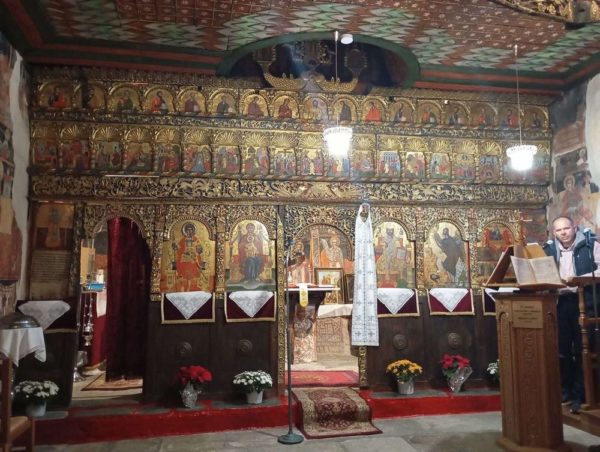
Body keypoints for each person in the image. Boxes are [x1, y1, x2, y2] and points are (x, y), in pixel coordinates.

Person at [543, 216, 600, 414]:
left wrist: (578, 279)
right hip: (560, 303)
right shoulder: (549, 250)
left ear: (574, 227)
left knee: (582, 350)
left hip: (585, 302)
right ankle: (565, 392)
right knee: (562, 350)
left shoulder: (590, 244)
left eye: (566, 228)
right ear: (554, 232)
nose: (563, 233)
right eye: (559, 230)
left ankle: (580, 395)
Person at [176, 222, 205, 291]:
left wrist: (198, 250)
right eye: (188, 230)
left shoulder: (196, 239)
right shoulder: (183, 240)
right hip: (184, 258)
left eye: (191, 230)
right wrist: (176, 248)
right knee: (183, 267)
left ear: (193, 231)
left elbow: (200, 250)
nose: (189, 231)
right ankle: (184, 285)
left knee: (194, 267)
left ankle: (192, 286)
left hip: (194, 258)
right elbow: (179, 250)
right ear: (186, 231)